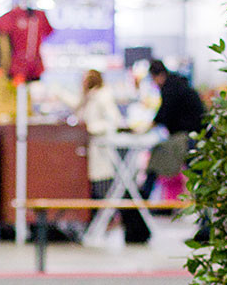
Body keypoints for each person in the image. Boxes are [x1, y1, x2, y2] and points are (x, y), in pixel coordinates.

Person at [121, 59, 205, 243]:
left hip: (186, 139)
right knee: (200, 182)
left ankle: (139, 217)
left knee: (158, 170)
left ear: (156, 76)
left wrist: (143, 129)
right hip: (195, 138)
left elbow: (163, 115)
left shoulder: (171, 88)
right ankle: (206, 226)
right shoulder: (180, 84)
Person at [76, 69, 123, 199]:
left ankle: (106, 215)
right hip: (93, 144)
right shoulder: (90, 96)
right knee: (94, 181)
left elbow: (114, 120)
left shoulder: (103, 96)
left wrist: (92, 128)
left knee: (102, 182)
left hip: (102, 145)